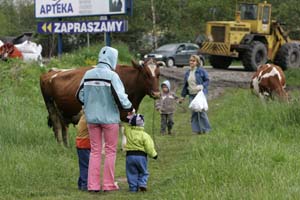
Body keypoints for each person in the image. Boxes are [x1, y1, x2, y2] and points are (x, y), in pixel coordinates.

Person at [76, 46, 134, 192]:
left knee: (95, 151)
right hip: (109, 119)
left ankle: (93, 185)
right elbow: (121, 97)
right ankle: (108, 184)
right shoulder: (112, 76)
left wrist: (89, 104)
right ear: (112, 59)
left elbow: (79, 95)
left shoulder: (88, 74)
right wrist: (129, 108)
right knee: (110, 151)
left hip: (91, 119)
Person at [124, 114, 158, 192]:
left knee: (131, 172)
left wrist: (128, 117)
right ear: (143, 124)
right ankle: (142, 184)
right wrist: (154, 155)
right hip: (141, 156)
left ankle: (133, 188)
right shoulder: (145, 135)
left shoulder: (129, 132)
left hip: (130, 156)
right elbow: (149, 147)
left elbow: (126, 126)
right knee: (143, 171)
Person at [180, 55, 211, 134]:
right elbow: (185, 86)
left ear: (197, 62)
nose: (191, 62)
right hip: (191, 95)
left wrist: (202, 86)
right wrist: (183, 96)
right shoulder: (188, 72)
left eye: (193, 61)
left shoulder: (201, 71)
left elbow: (207, 80)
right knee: (194, 112)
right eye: (190, 61)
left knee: (201, 112)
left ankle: (206, 129)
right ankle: (196, 130)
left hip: (199, 95)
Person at [76, 113, 90, 191]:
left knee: (83, 165)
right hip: (85, 144)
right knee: (87, 165)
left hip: (80, 143)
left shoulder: (83, 117)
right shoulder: (88, 118)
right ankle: (84, 185)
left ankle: (81, 183)